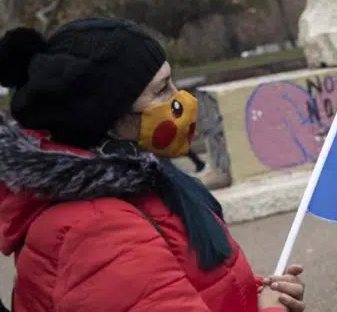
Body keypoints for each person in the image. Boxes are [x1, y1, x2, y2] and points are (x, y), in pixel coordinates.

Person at [0, 18, 306, 311]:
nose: (180, 99)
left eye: (172, 82)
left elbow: (178, 287)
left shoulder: (142, 184)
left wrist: (256, 295)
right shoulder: (96, 233)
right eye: (161, 91)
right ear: (106, 116)